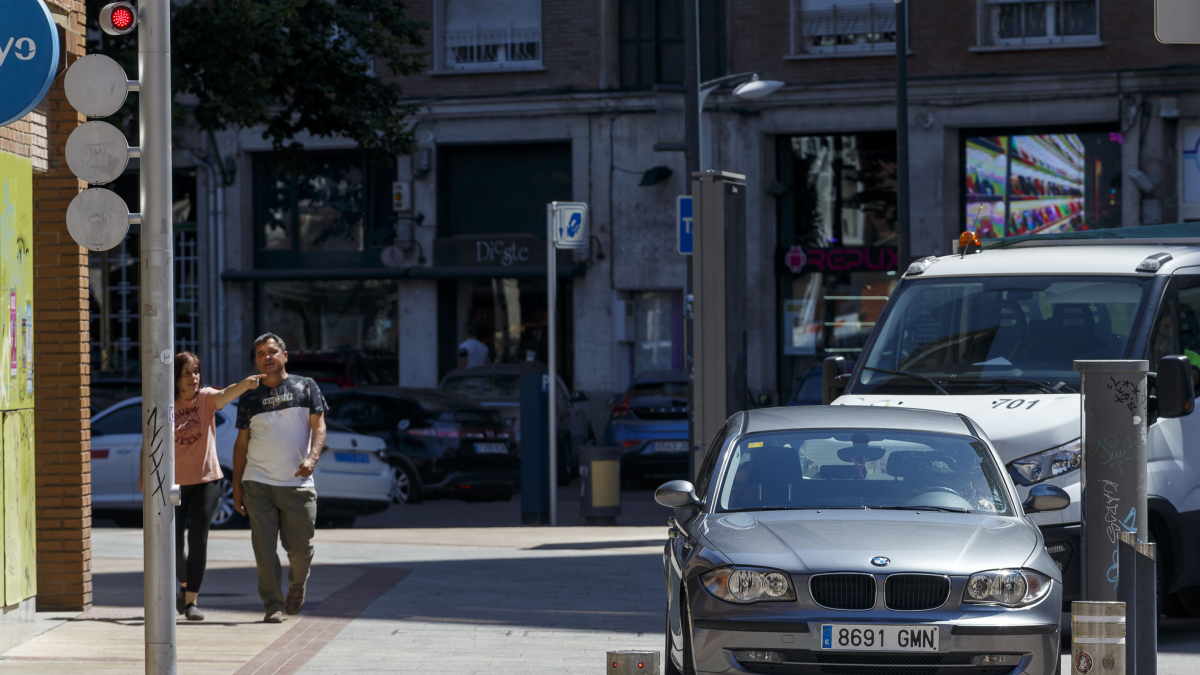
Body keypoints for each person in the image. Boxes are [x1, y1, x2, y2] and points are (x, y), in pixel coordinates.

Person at [141, 352, 264, 621]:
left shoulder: (206, 398)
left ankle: (191, 602)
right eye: (187, 373)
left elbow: (226, 394)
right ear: (175, 377)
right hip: (174, 484)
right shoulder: (166, 404)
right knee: (173, 544)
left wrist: (245, 384)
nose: (194, 377)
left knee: (198, 539)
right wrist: (144, 476)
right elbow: (149, 442)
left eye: (196, 372)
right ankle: (184, 587)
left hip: (208, 480)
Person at [232, 333, 327, 623]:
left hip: (297, 484)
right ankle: (273, 604)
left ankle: (297, 584)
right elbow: (241, 445)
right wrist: (236, 486)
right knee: (263, 549)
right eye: (260, 354)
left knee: (300, 550)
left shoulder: (306, 386)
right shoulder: (249, 396)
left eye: (273, 351)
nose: (267, 357)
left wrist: (312, 458)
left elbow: (319, 427)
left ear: (285, 355)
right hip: (258, 482)